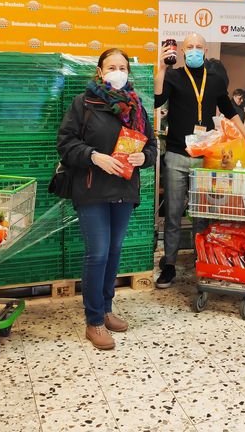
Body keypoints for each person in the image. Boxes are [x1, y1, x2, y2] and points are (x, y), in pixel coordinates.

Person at [57, 48, 157, 350]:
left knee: (114, 252)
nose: (117, 71)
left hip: (124, 191)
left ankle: (107, 308)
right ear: (100, 72)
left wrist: (144, 157)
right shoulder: (83, 103)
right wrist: (94, 157)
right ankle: (94, 321)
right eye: (111, 66)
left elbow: (152, 145)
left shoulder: (136, 107)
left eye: (122, 67)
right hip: (91, 189)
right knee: (97, 253)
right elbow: (65, 143)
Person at [154, 33, 245, 288]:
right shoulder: (174, 76)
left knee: (201, 214)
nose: (194, 50)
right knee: (173, 214)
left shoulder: (216, 79)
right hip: (176, 154)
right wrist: (162, 67)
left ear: (205, 50)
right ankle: (170, 264)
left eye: (199, 47)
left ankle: (203, 260)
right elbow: (156, 100)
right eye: (190, 47)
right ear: (183, 51)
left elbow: (228, 109)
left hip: (205, 157)